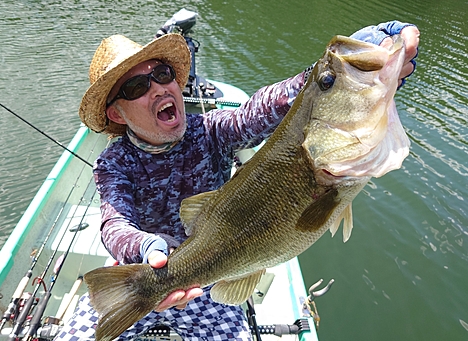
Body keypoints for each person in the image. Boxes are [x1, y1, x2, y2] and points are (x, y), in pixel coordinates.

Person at [56, 21, 420, 341]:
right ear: (116, 112)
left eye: (163, 74)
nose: (159, 89)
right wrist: (148, 251)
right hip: (141, 277)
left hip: (209, 282)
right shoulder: (113, 163)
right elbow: (114, 223)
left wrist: (333, 76)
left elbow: (258, 113)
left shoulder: (210, 130)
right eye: (137, 87)